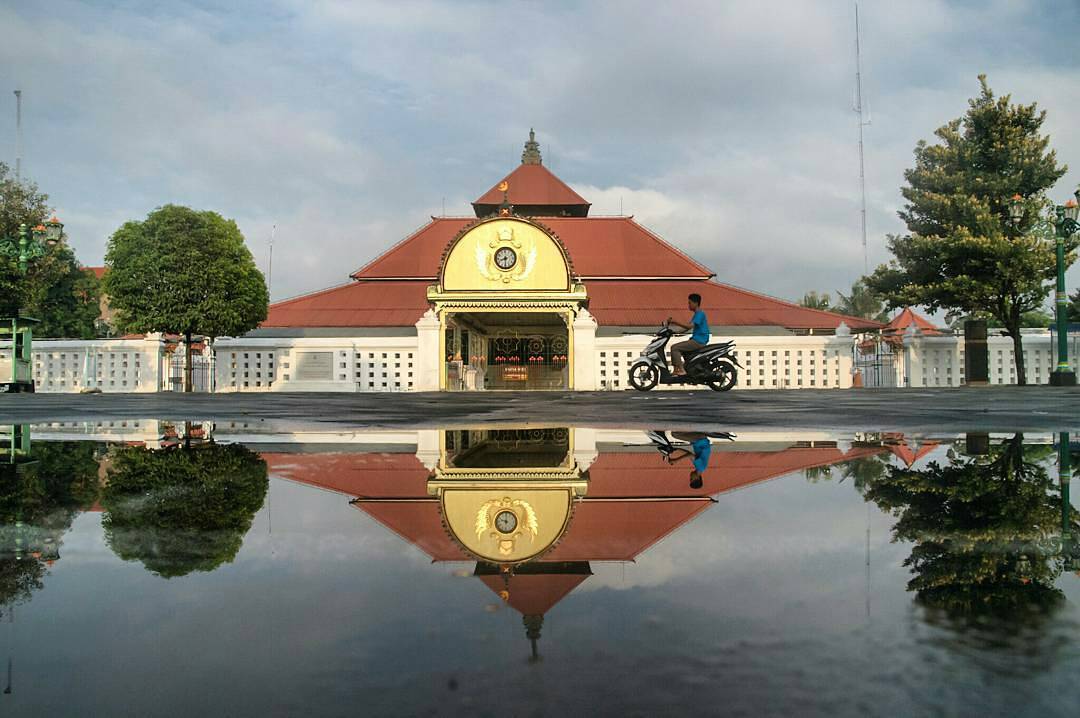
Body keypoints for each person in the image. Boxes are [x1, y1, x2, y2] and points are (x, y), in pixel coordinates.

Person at [667, 293, 709, 376]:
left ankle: (681, 370)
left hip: (699, 340)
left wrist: (675, 322)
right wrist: (674, 331)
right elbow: (686, 328)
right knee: (678, 349)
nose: (688, 305)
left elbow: (689, 326)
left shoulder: (700, 314)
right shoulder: (697, 314)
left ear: (696, 303)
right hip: (697, 339)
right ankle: (677, 370)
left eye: (690, 303)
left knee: (675, 348)